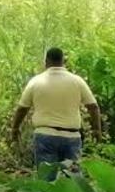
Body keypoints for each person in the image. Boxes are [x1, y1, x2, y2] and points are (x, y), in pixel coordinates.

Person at [10, 47, 103, 179]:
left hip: (45, 136)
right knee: (73, 180)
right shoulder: (77, 81)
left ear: (46, 61)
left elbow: (22, 108)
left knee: (47, 180)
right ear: (63, 61)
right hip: (71, 137)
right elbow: (93, 107)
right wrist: (96, 130)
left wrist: (15, 128)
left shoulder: (36, 82)